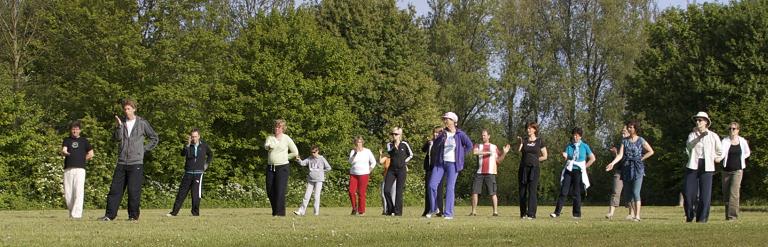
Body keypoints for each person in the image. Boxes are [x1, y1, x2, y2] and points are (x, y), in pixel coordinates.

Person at [99, 99, 159, 221]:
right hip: (121, 161)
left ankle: (133, 216)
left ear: (134, 109)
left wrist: (143, 150)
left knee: (133, 191)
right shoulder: (121, 123)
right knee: (115, 190)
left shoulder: (142, 123)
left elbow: (154, 138)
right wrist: (118, 127)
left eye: (128, 109)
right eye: (125, 109)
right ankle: (109, 215)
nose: (126, 111)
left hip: (136, 162)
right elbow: (116, 139)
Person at [426, 112, 473, 220]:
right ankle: (434, 208)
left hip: (453, 164)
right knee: (432, 185)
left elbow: (469, 145)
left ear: (453, 121)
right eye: (444, 119)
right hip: (440, 163)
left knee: (450, 188)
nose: (445, 121)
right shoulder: (443, 133)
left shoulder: (460, 134)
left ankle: (448, 213)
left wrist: (460, 154)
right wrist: (439, 136)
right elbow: (435, 143)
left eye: (447, 119)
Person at [606, 121, 655, 222]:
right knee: (628, 193)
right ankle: (632, 214)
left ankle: (637, 216)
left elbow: (651, 151)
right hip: (627, 168)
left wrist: (641, 158)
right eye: (628, 127)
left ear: (635, 129)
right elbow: (620, 155)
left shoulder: (641, 140)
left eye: (631, 127)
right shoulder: (624, 141)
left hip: (638, 169)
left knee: (636, 192)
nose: (629, 129)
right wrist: (612, 163)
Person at [684, 112, 723, 223]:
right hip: (693, 165)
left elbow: (720, 151)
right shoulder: (692, 135)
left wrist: (717, 158)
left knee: (705, 195)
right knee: (688, 193)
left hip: (707, 166)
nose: (697, 122)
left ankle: (702, 218)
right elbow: (689, 146)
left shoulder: (713, 136)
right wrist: (700, 136)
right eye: (696, 120)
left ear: (706, 122)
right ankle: (690, 215)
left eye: (700, 120)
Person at [550, 127, 595, 219]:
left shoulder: (585, 146)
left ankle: (576, 214)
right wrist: (564, 156)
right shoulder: (569, 146)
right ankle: (556, 212)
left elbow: (592, 158)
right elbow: (566, 156)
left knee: (576, 192)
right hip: (569, 170)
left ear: (580, 136)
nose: (575, 137)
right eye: (574, 135)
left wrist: (584, 167)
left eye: (577, 135)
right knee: (563, 191)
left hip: (578, 171)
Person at [167, 128, 213, 217]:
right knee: (181, 193)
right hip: (188, 173)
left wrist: (206, 165)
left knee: (195, 194)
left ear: (199, 136)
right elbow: (182, 154)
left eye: (195, 137)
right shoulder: (188, 146)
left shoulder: (204, 146)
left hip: (198, 173)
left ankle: (195, 213)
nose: (194, 138)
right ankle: (174, 212)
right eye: (192, 137)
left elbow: (210, 154)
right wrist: (187, 145)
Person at [469, 129, 510, 216]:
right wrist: (487, 152)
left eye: (484, 135)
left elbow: (498, 161)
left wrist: (504, 153)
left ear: (489, 136)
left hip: (491, 173)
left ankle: (495, 212)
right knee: (475, 192)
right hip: (479, 172)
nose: (483, 137)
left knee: (493, 193)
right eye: (482, 135)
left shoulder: (494, 147)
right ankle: (473, 212)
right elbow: (475, 152)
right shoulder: (478, 145)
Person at [264, 119, 299, 217]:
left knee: (280, 190)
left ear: (283, 128)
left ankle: (280, 214)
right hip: (270, 167)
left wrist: (285, 157)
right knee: (270, 190)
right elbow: (266, 146)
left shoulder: (286, 138)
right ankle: (275, 211)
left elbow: (295, 152)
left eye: (279, 127)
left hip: (282, 167)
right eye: (275, 126)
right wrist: (270, 146)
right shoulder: (270, 137)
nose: (276, 128)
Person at [61, 120, 94, 219]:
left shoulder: (84, 141)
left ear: (80, 130)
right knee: (68, 193)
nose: (75, 131)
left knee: (78, 191)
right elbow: (64, 149)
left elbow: (91, 154)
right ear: (71, 130)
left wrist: (81, 159)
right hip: (68, 169)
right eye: (73, 129)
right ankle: (72, 213)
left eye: (76, 129)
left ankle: (77, 215)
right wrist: (65, 152)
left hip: (80, 170)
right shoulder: (67, 139)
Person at [517, 122, 547, 219]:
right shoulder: (524, 141)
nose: (528, 130)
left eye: (530, 128)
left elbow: (545, 156)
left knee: (532, 191)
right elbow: (518, 151)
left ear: (535, 129)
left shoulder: (540, 141)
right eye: (527, 128)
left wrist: (536, 160)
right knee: (522, 191)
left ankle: (531, 214)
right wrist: (520, 143)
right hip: (523, 168)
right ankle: (523, 213)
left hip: (534, 169)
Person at [721, 121, 750, 221]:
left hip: (737, 171)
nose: (731, 131)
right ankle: (727, 216)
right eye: (730, 129)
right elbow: (721, 153)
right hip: (726, 170)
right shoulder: (725, 141)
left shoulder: (742, 141)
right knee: (726, 194)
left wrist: (741, 159)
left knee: (734, 193)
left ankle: (732, 217)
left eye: (733, 129)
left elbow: (747, 153)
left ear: (738, 130)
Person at [293, 145, 332, 216]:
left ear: (317, 151)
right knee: (306, 196)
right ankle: (301, 211)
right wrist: (298, 160)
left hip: (319, 180)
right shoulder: (309, 158)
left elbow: (329, 167)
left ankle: (316, 213)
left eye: (314, 152)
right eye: (312, 152)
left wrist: (322, 171)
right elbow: (303, 163)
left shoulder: (322, 159)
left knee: (316, 196)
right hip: (310, 180)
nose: (313, 154)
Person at [384, 127, 413, 216]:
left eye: (396, 134)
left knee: (399, 191)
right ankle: (390, 209)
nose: (394, 136)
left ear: (400, 135)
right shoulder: (389, 144)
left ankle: (398, 212)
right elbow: (391, 153)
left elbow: (411, 154)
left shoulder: (404, 144)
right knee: (386, 190)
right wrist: (395, 147)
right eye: (392, 134)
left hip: (401, 170)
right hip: (391, 170)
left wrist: (404, 161)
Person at [605, 126, 630, 219]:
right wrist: (615, 154)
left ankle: (630, 213)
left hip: (629, 171)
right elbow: (618, 159)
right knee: (615, 191)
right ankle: (610, 213)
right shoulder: (620, 143)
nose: (623, 133)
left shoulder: (634, 143)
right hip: (619, 171)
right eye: (622, 132)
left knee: (629, 192)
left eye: (625, 131)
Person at [348, 136, 376, 216]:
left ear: (362, 143)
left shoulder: (367, 151)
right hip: (354, 174)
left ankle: (361, 211)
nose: (358, 144)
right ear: (355, 143)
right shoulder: (353, 151)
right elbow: (350, 161)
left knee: (361, 193)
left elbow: (373, 162)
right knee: (351, 191)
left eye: (360, 142)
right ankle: (354, 208)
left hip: (364, 174)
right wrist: (355, 153)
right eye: (357, 142)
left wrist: (369, 170)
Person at [421, 127, 445, 217]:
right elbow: (423, 149)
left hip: (439, 168)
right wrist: (427, 144)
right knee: (428, 189)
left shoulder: (442, 142)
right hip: (429, 168)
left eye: (438, 133)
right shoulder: (430, 142)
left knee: (439, 189)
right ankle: (428, 209)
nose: (435, 134)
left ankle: (440, 210)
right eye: (434, 133)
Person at [378, 150, 394, 215]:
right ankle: (385, 210)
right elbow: (380, 162)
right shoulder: (386, 158)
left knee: (393, 195)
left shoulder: (395, 159)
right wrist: (380, 154)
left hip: (393, 179)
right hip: (385, 178)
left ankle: (391, 210)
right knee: (383, 194)